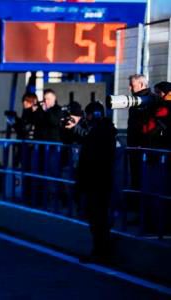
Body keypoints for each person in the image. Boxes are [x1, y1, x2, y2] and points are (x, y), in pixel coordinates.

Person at [66, 101, 117, 263]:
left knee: (98, 218)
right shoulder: (102, 130)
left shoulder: (102, 131)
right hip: (95, 179)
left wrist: (77, 127)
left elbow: (89, 141)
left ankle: (101, 252)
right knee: (96, 217)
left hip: (97, 179)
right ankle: (100, 250)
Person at [127, 74, 153, 148]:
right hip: (135, 145)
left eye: (132, 85)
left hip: (144, 146)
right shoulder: (135, 101)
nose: (129, 88)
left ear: (141, 84)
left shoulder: (151, 101)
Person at [145, 81, 171, 149]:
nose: (157, 95)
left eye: (159, 92)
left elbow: (150, 127)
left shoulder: (163, 107)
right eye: (156, 93)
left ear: (168, 93)